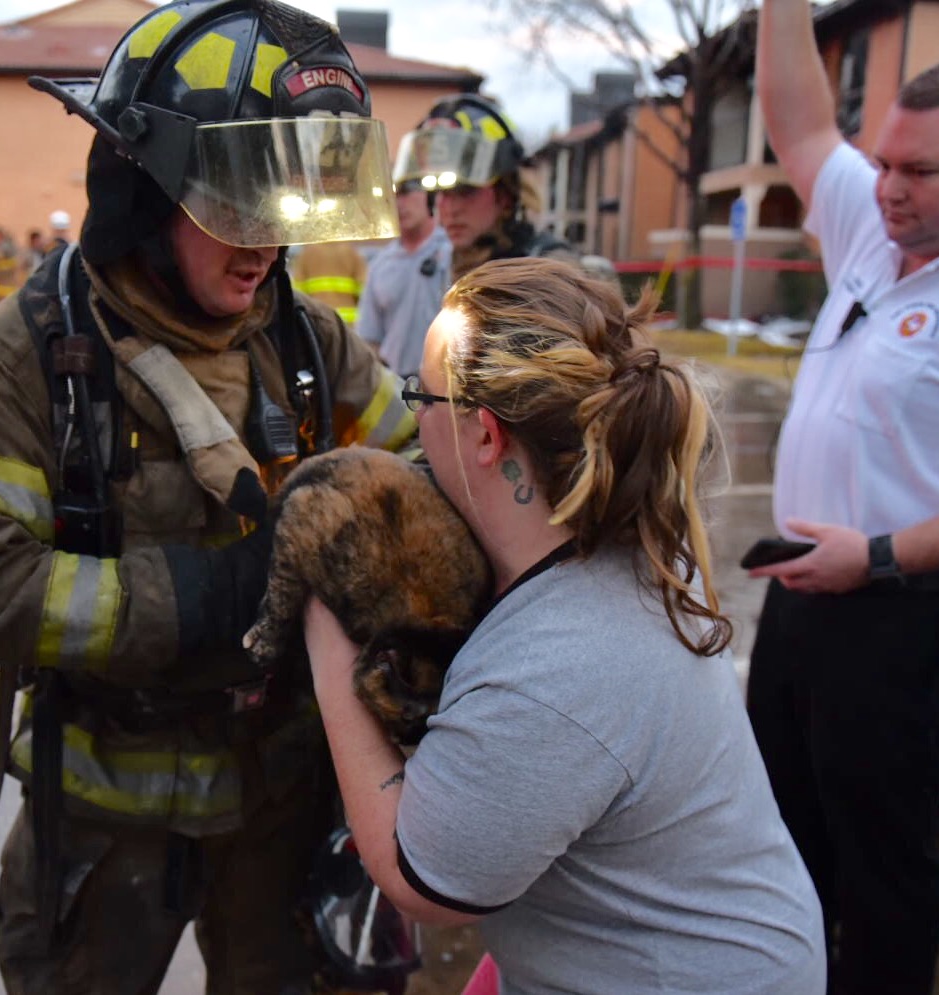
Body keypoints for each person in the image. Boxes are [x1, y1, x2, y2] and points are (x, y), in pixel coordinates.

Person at [0, 1, 412, 993]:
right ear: (141, 184)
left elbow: (425, 483)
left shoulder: (310, 346)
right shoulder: (21, 365)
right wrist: (197, 598)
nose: (266, 236)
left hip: (284, 807)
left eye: (289, 195)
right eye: (235, 195)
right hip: (106, 817)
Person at [303, 256, 827, 995]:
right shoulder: (626, 524)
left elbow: (417, 878)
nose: (411, 423)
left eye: (419, 396)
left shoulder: (558, 666)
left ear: (485, 435)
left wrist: (328, 629)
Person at [744, 4, 939, 993]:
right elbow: (801, 122)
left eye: (918, 172)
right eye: (887, 162)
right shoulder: (874, 228)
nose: (888, 187)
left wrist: (878, 556)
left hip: (896, 624)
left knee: (886, 884)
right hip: (797, 606)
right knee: (782, 855)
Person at [392, 94, 614, 285]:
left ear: (507, 194)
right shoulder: (435, 266)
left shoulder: (551, 273)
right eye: (439, 191)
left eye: (465, 190)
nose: (449, 208)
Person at [356, 178, 451, 377]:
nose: (399, 203)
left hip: (449, 381)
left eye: (407, 192)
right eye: (392, 195)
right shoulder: (381, 266)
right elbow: (369, 338)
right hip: (400, 382)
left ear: (430, 196)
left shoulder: (453, 253)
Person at [289, 238, 368, 329]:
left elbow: (298, 292)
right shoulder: (351, 252)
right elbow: (362, 289)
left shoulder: (307, 253)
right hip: (347, 320)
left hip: (317, 318)